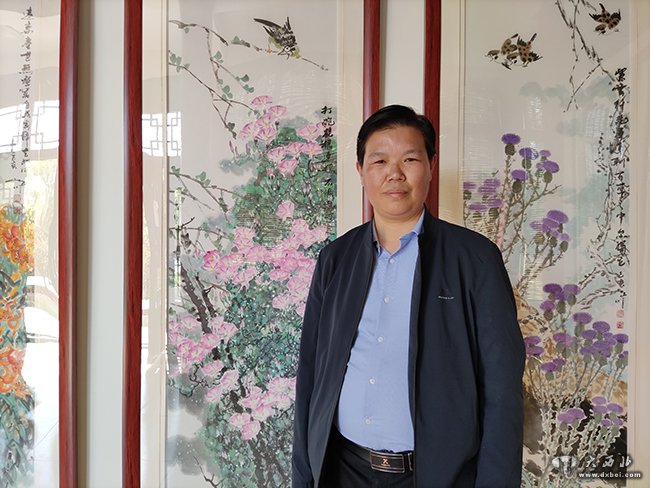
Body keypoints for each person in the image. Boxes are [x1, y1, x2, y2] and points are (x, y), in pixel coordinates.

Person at [291, 105, 525, 488]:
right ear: (361, 170)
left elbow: (502, 394)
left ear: (431, 166)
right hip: (342, 469)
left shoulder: (475, 259)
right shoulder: (335, 259)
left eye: (410, 159)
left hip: (436, 476)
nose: (394, 174)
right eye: (379, 161)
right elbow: (311, 376)